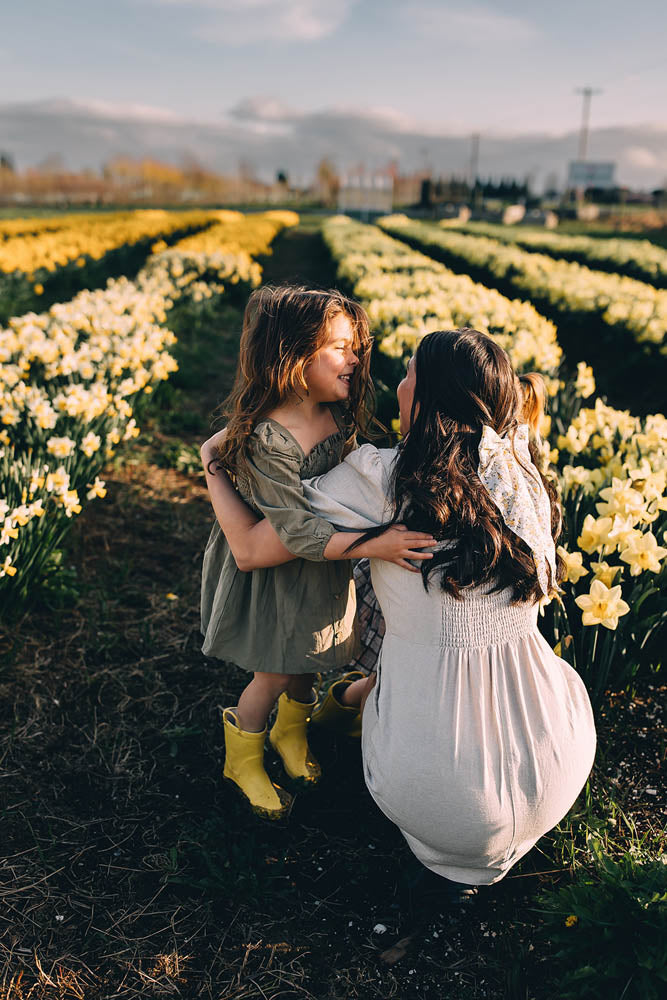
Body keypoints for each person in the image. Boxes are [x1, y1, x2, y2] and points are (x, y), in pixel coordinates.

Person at [204, 327, 596, 888]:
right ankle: (349, 701)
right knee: (441, 628)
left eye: (409, 372)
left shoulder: (384, 476)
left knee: (400, 614)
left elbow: (249, 549)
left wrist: (213, 466)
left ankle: (350, 707)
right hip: (554, 763)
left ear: (430, 394)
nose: (399, 383)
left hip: (433, 797)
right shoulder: (521, 464)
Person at [200, 285, 435, 821]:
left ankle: (291, 734)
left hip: (322, 569)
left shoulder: (335, 416)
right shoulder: (271, 438)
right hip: (283, 576)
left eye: (355, 347)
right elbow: (297, 529)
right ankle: (244, 758)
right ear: (292, 357)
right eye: (339, 347)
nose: (355, 358)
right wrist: (376, 542)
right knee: (275, 673)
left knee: (309, 660)